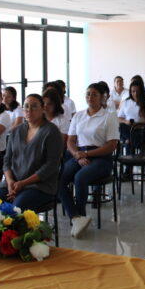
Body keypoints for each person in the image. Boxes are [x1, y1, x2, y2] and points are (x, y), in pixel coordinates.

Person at [58, 83, 120, 238]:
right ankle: (77, 217)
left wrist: (87, 154)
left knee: (80, 177)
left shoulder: (109, 116)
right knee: (58, 178)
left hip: (101, 157)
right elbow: (71, 141)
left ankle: (81, 214)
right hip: (80, 154)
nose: (90, 97)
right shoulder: (79, 115)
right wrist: (78, 155)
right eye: (88, 94)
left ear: (102, 97)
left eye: (94, 94)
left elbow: (111, 145)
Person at [0, 94, 64, 211]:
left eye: (34, 106)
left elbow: (51, 165)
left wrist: (23, 183)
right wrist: (10, 181)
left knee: (16, 209)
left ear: (43, 109)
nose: (29, 110)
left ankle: (17, 230)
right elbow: (7, 160)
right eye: (26, 107)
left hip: (39, 186)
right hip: (13, 183)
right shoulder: (16, 131)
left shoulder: (51, 131)